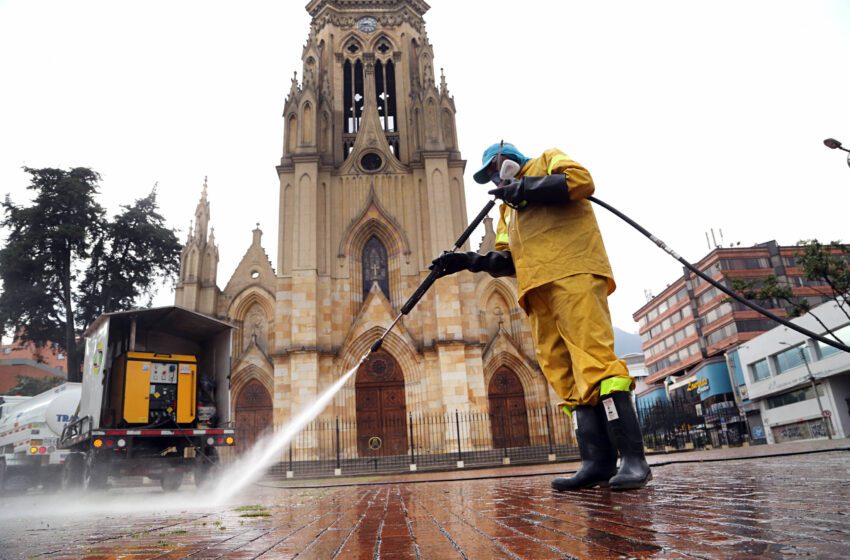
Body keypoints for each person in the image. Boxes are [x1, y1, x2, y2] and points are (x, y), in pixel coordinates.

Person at [430, 142, 651, 491]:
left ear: (510, 161)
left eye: (494, 169)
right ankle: (596, 462)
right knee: (561, 373)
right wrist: (468, 262)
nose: (493, 178)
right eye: (487, 175)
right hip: (536, 291)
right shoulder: (507, 213)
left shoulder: (547, 161)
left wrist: (525, 188)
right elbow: (505, 260)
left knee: (596, 365)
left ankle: (634, 459)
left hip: (573, 273)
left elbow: (580, 181)